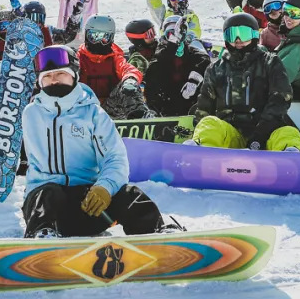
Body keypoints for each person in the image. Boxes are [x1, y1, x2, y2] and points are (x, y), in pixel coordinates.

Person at [21, 45, 181, 238]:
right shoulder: (31, 114)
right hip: (46, 208)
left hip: (89, 204)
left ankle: (157, 234)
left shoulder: (93, 114)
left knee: (128, 194)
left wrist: (104, 187)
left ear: (74, 75)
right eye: (47, 76)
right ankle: (42, 235)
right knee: (48, 193)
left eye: (61, 74)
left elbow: (115, 157)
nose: (54, 80)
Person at [190, 14, 300, 151]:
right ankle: (202, 152)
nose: (238, 40)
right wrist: (199, 130)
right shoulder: (216, 69)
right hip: (231, 134)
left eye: (244, 34)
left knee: (288, 132)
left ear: (254, 35)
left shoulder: (270, 63)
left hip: (266, 134)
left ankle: (290, 157)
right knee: (209, 123)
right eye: (232, 35)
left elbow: (280, 99)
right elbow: (205, 104)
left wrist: (260, 134)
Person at [75, 15, 148, 119]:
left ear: (111, 39)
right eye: (94, 37)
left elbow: (127, 68)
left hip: (111, 107)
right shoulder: (79, 58)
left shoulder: (114, 58)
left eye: (105, 38)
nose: (99, 42)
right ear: (86, 36)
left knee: (130, 87)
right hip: (84, 108)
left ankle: (139, 119)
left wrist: (130, 79)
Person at [143, 16, 209, 117]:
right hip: (164, 102)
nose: (174, 37)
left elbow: (204, 60)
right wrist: (172, 46)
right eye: (170, 34)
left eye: (179, 34)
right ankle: (154, 113)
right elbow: (153, 69)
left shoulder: (190, 51)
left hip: (187, 102)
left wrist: (194, 80)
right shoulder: (160, 51)